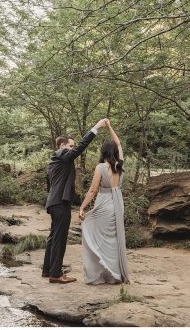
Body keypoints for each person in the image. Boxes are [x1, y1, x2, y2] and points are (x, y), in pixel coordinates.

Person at [44, 118, 108, 283]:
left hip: (53, 202)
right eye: (70, 146)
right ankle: (56, 275)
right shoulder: (63, 155)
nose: (72, 149)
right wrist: (95, 128)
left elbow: (50, 185)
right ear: (62, 146)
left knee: (53, 237)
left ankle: (48, 270)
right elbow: (80, 148)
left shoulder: (52, 162)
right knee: (60, 238)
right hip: (60, 203)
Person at [78, 119, 130, 284]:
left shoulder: (100, 168)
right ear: (114, 152)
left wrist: (82, 207)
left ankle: (101, 274)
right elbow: (119, 144)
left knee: (95, 234)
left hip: (105, 202)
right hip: (118, 203)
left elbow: (93, 191)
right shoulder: (119, 165)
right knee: (114, 238)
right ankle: (114, 276)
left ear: (103, 152)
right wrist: (110, 128)